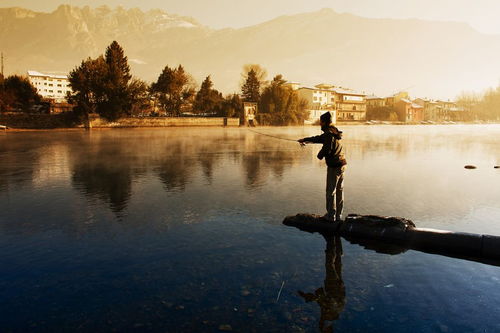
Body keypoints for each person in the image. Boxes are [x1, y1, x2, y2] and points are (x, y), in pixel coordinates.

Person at [298, 112, 347, 221]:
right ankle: (338, 216)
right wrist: (305, 139)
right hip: (342, 164)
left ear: (324, 122)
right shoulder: (333, 131)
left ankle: (331, 216)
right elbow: (318, 139)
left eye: (321, 122)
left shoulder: (329, 134)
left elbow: (327, 148)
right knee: (339, 191)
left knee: (331, 191)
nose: (320, 124)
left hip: (335, 166)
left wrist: (319, 155)